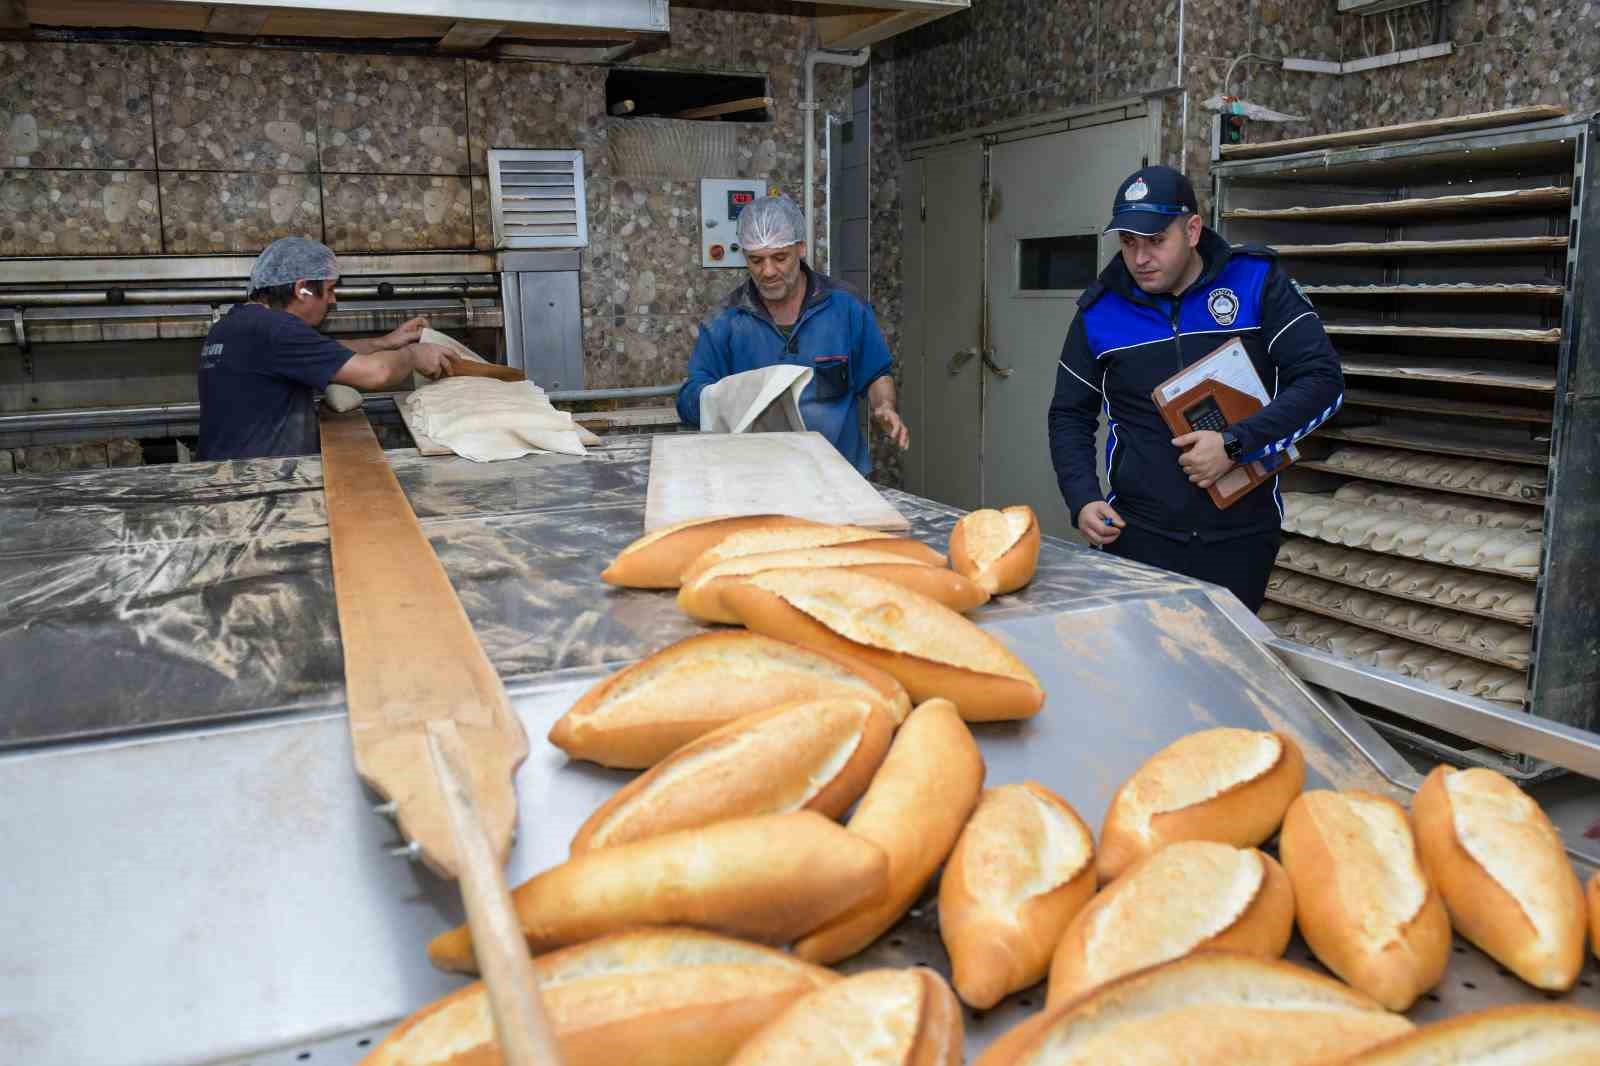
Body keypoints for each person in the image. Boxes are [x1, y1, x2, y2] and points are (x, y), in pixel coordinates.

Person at [1047, 165, 1344, 611]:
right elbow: (1070, 413)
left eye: (1155, 240)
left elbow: (1323, 382)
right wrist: (1082, 497)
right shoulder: (1098, 313)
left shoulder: (1256, 283)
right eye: (1129, 243)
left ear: (1191, 230)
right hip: (1138, 535)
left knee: (1225, 670)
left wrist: (1234, 444)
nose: (1140, 258)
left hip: (1241, 538)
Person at [676, 195, 909, 476]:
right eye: (756, 260)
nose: (768, 271)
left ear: (801, 248)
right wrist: (726, 397)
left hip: (840, 477)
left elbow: (875, 374)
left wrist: (884, 406)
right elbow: (691, 397)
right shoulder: (726, 322)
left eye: (779, 257)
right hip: (758, 481)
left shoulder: (844, 307)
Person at [197, 236, 451, 460]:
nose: (333, 299)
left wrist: (384, 343)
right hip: (262, 485)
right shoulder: (277, 328)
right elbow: (376, 374)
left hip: (227, 474)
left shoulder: (235, 324)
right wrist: (413, 356)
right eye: (329, 289)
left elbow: (323, 352)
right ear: (301, 289)